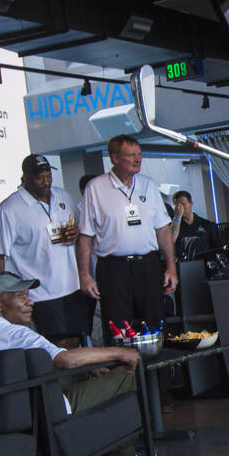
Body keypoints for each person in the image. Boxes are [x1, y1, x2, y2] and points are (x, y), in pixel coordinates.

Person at [0, 272, 147, 456]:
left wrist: (88, 363)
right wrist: (120, 352)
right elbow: (64, 360)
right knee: (128, 372)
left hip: (11, 415)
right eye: (21, 297)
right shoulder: (17, 334)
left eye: (27, 295)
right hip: (47, 408)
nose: (30, 302)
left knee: (79, 370)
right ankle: (120, 455)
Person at [76, 136, 177, 343]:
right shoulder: (95, 188)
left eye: (139, 154)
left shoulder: (148, 185)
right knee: (118, 330)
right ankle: (127, 375)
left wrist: (171, 268)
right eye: (131, 155)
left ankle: (160, 374)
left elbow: (163, 230)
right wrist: (85, 276)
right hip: (113, 269)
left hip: (148, 266)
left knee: (155, 325)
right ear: (114, 157)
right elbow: (85, 236)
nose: (137, 159)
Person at [0, 155, 90, 343]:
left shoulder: (63, 197)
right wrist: (0, 296)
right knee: (55, 346)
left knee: (80, 341)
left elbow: (84, 231)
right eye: (39, 177)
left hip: (73, 287)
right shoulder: (9, 209)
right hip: (40, 294)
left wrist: (76, 232)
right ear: (25, 177)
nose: (45, 182)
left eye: (48, 176)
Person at [170, 190, 222, 257]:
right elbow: (169, 242)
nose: (180, 209)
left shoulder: (207, 225)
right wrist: (177, 217)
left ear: (191, 204)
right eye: (177, 206)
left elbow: (219, 248)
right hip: (184, 264)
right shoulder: (174, 226)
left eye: (183, 205)